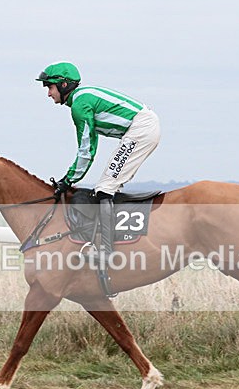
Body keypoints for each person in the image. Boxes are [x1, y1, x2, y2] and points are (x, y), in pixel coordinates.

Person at [36, 61, 161, 265]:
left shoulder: (79, 105)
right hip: (142, 128)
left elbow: (86, 151)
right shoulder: (82, 97)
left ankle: (106, 251)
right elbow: (90, 148)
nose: (48, 94)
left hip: (141, 129)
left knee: (104, 188)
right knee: (107, 185)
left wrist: (67, 180)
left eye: (49, 87)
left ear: (64, 85)